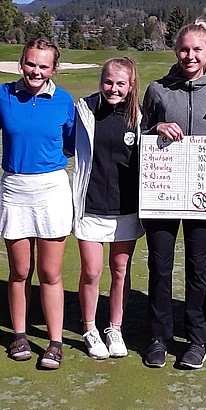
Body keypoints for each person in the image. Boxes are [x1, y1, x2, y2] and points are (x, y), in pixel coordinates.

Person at [0, 38, 76, 370]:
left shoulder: (64, 100)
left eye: (43, 66)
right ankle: (20, 335)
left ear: (54, 69)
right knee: (20, 271)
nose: (35, 71)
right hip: (15, 188)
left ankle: (55, 342)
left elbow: (69, 144)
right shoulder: (3, 95)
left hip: (52, 188)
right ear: (21, 62)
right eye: (30, 63)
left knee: (51, 273)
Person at [140, 19, 206, 369]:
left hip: (204, 194)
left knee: (197, 268)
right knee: (159, 267)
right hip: (162, 193)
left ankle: (196, 339)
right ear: (176, 51)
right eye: (184, 49)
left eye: (197, 49)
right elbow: (139, 131)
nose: (190, 55)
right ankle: (158, 337)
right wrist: (154, 127)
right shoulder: (158, 89)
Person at [72, 57, 143, 360]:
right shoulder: (83, 110)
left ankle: (115, 328)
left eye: (120, 84)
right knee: (91, 271)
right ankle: (90, 329)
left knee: (120, 271)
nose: (113, 88)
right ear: (101, 81)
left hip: (125, 208)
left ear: (130, 86)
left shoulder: (139, 116)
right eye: (108, 82)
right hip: (89, 207)